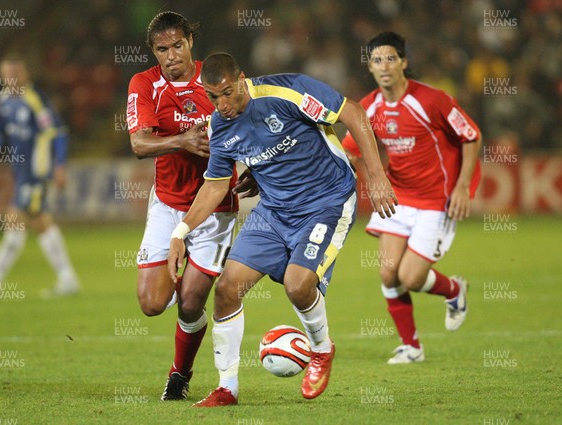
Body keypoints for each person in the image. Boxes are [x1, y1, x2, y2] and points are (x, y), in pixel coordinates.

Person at [168, 53, 397, 407]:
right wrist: (179, 234)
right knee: (227, 288)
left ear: (242, 78)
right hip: (274, 212)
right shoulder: (220, 127)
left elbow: (352, 112)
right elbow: (214, 185)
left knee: (298, 285)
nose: (222, 104)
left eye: (227, 93)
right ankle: (227, 387)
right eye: (213, 97)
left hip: (327, 202)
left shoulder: (286, 91)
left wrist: (377, 175)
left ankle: (321, 350)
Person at [127, 12, 256, 401]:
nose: (171, 55)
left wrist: (258, 169)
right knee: (152, 304)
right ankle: (184, 284)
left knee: (191, 300)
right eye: (162, 49)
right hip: (167, 205)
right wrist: (181, 140)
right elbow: (139, 144)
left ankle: (179, 375)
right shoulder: (145, 84)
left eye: (177, 45)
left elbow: (255, 124)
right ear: (154, 51)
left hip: (215, 207)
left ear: (190, 43)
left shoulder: (215, 79)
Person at [342, 32, 482, 364]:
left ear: (404, 62)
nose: (385, 66)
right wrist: (372, 181)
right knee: (388, 273)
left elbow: (471, 136)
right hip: (399, 197)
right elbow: (352, 151)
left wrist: (463, 186)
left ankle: (454, 290)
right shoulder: (369, 106)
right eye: (377, 60)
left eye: (391, 58)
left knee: (411, 278)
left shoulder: (433, 100)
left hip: (437, 200)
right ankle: (411, 347)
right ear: (370, 67)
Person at [0, 54, 79, 298]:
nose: (11, 80)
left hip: (36, 171)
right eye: (6, 75)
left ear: (25, 74)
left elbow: (58, 132)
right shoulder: (4, 100)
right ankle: (67, 278)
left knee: (16, 219)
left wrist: (60, 166)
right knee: (39, 222)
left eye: (15, 75)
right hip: (21, 172)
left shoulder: (35, 101)